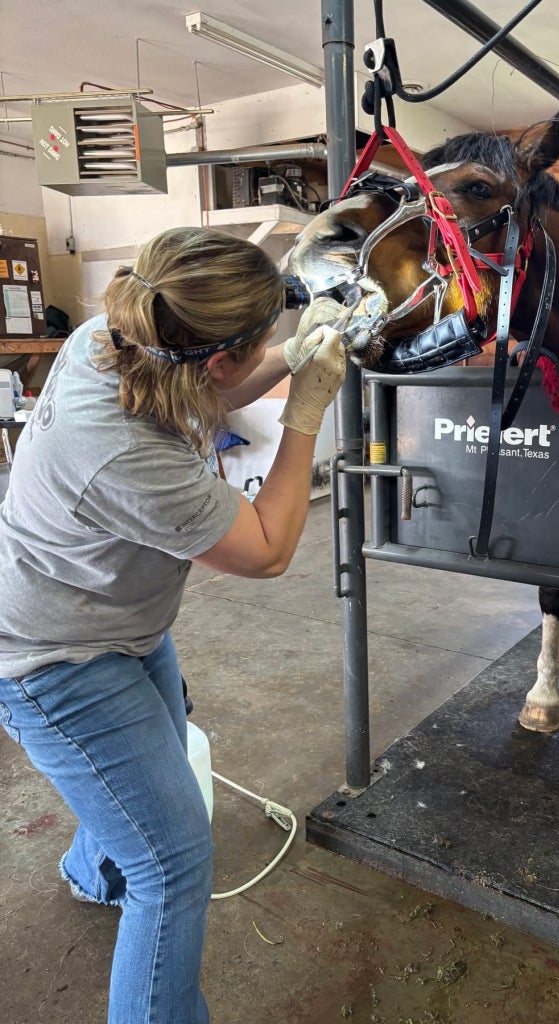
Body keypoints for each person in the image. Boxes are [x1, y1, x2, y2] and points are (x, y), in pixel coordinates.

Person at [0, 226, 346, 1024]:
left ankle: (95, 872)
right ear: (217, 353)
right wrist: (306, 411)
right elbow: (264, 551)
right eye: (260, 341)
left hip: (109, 613)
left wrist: (294, 352)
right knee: (175, 865)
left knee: (142, 775)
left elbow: (208, 386)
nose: (269, 347)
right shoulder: (121, 453)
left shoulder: (118, 330)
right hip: (53, 658)